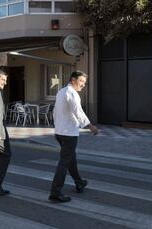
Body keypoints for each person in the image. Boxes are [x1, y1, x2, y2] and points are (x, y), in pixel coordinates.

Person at [49, 70, 99, 203]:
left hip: (60, 132)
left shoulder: (61, 92)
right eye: (81, 81)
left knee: (71, 159)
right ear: (73, 80)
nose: (83, 84)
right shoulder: (72, 93)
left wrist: (57, 126)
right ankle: (55, 192)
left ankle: (79, 182)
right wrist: (90, 126)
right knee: (64, 163)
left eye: (84, 82)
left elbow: (54, 112)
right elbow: (79, 112)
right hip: (69, 133)